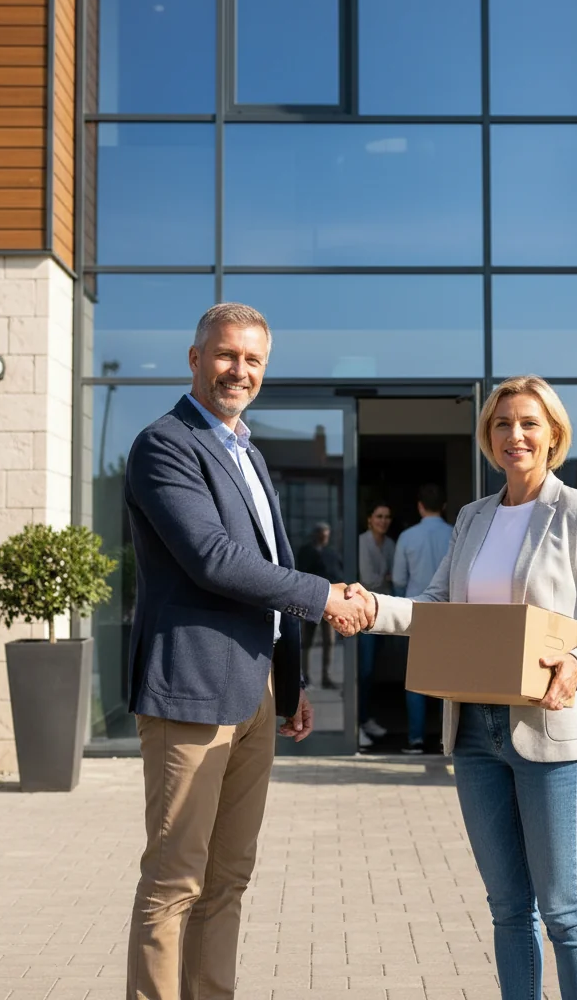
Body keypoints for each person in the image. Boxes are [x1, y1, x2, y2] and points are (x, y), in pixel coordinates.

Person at [347, 375, 577, 1000]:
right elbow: (436, 606)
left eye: (529, 423)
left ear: (553, 433)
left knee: (563, 908)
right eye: (503, 424)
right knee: (508, 907)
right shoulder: (473, 518)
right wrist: (370, 606)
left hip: (551, 731)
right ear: (489, 436)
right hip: (476, 733)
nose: (516, 435)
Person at [123, 302, 371, 1000]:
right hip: (192, 691)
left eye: (253, 360)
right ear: (195, 359)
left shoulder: (247, 451)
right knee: (175, 879)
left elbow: (264, 570)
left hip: (253, 693)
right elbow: (214, 559)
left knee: (229, 878)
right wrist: (325, 595)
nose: (240, 370)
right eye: (227, 355)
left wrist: (287, 688)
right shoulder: (164, 444)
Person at [392, 483, 453, 753]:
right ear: (444, 506)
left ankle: (415, 739)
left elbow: (398, 580)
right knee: (447, 681)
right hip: (451, 615)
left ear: (419, 506)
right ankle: (446, 739)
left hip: (414, 613)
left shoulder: (407, 537)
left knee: (416, 679)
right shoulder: (455, 534)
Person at [356, 501, 395, 747]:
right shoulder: (361, 542)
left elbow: (385, 581)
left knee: (372, 672)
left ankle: (366, 718)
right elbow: (369, 579)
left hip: (381, 615)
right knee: (364, 671)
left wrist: (384, 580)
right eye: (379, 516)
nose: (383, 520)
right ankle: (356, 723)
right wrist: (386, 578)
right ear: (370, 519)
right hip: (361, 615)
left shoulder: (390, 544)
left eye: (387, 516)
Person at [296, 522, 343, 689]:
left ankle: (326, 676)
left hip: (329, 602)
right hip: (311, 600)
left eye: (327, 535)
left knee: (329, 641)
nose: (325, 538)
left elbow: (338, 573)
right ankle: (305, 675)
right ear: (315, 535)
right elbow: (301, 573)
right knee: (306, 641)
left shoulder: (331, 553)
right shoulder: (306, 551)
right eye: (322, 534)